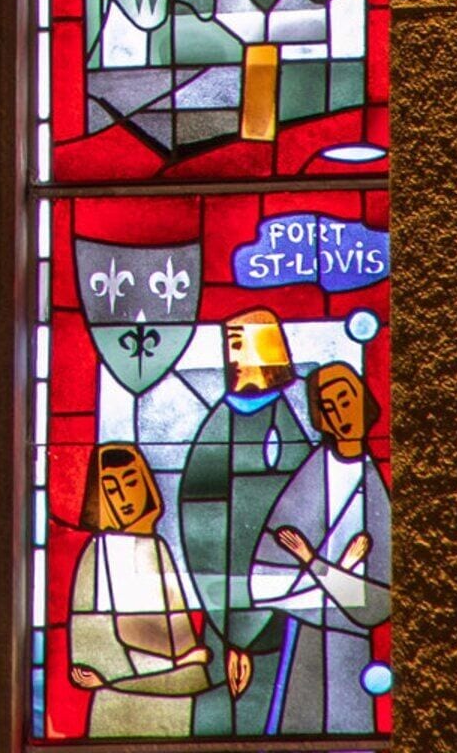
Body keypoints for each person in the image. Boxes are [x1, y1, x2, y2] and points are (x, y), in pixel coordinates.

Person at [176, 310, 312, 734]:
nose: (232, 354)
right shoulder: (222, 422)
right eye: (230, 343)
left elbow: (305, 513)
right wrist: (233, 632)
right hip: (225, 606)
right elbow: (202, 522)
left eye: (240, 342)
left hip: (282, 610)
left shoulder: (285, 421)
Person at [247, 359, 392, 731]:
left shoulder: (375, 482)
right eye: (327, 407)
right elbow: (266, 577)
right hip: (306, 638)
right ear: (320, 420)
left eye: (345, 399)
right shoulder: (311, 477)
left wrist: (313, 562)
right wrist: (334, 569)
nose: (339, 413)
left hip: (351, 642)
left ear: (363, 399)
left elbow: (379, 601)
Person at [64, 444, 213, 736]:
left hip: (175, 709)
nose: (124, 498)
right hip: (120, 708)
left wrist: (185, 664)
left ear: (146, 485)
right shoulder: (97, 554)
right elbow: (95, 659)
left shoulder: (157, 548)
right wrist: (179, 666)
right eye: (111, 489)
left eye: (131, 483)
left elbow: (187, 651)